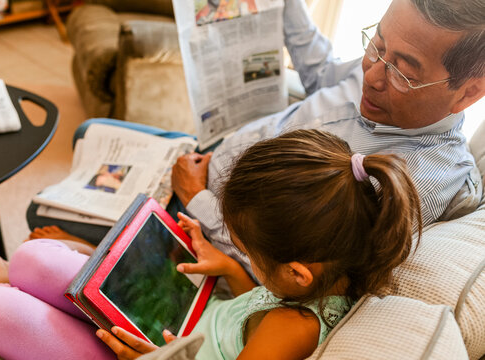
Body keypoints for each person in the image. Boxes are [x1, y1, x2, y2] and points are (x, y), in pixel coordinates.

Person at [27, 0, 484, 277]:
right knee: (88, 131)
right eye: (376, 44)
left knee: (37, 210)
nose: (371, 75)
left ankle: (94, 252)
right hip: (204, 159)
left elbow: (285, 266)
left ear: (469, 91)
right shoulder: (376, 74)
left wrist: (197, 197)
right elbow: (323, 72)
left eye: (403, 70)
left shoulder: (419, 177)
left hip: (202, 215)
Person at [0, 129, 421, 359]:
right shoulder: (317, 281)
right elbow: (253, 312)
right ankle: (39, 266)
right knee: (30, 258)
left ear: (297, 271)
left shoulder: (293, 330)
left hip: (152, 353)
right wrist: (232, 271)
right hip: (187, 319)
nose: (242, 253)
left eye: (247, 250)